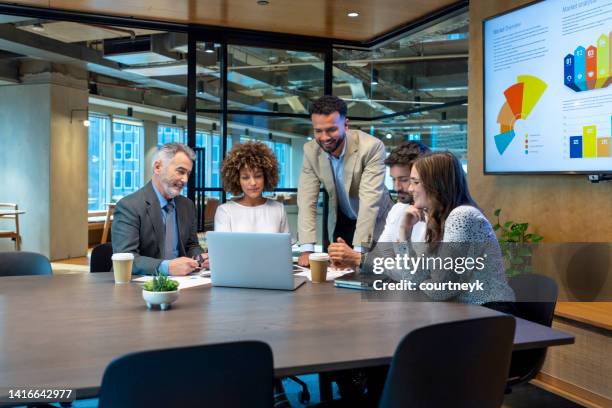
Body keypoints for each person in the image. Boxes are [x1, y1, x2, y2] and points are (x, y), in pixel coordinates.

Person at [396, 151, 515, 304]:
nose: (410, 189)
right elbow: (412, 280)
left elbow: (440, 290)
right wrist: (404, 231)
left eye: (416, 182)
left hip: (490, 312)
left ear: (437, 185)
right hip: (463, 311)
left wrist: (423, 283)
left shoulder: (462, 216)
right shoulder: (438, 218)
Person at [297, 95, 393, 266]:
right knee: (339, 274)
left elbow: (369, 203)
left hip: (376, 221)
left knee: (376, 273)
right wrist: (307, 250)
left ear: (346, 125)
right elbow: (306, 201)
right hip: (343, 219)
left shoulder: (371, 147)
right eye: (318, 131)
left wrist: (357, 255)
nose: (324, 137)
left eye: (331, 130)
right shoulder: (310, 150)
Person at [329, 141, 430, 268]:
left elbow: (415, 271)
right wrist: (350, 260)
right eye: (393, 179)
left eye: (404, 180)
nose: (396, 187)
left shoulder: (439, 217)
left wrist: (358, 259)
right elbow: (381, 256)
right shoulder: (397, 210)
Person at [112, 143, 208, 276]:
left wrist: (200, 258)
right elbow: (126, 259)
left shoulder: (187, 205)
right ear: (158, 167)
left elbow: (191, 246)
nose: (185, 179)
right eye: (180, 171)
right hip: (141, 288)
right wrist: (167, 267)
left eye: (188, 173)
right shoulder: (129, 206)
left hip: (183, 283)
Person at [215, 141, 289, 233]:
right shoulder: (225, 211)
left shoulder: (279, 209)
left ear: (266, 177)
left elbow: (286, 245)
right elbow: (223, 246)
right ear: (237, 180)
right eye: (245, 177)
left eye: (258, 176)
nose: (253, 183)